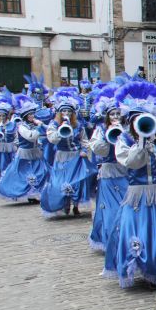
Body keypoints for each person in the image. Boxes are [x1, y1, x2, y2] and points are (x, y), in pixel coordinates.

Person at [103, 81, 156, 288]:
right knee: (139, 232)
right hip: (137, 195)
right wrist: (141, 142)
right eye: (135, 120)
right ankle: (145, 269)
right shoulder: (124, 141)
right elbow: (132, 162)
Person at [40, 88, 98, 216]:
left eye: (69, 111)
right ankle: (65, 204)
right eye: (64, 111)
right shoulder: (53, 125)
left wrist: (84, 150)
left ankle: (76, 205)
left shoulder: (78, 125)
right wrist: (61, 129)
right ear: (59, 113)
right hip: (61, 156)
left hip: (76, 156)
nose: (66, 113)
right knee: (61, 181)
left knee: (77, 181)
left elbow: (84, 140)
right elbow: (52, 139)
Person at [87, 86, 129, 252]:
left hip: (124, 172)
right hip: (108, 172)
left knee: (125, 205)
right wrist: (107, 137)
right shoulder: (100, 130)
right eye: (112, 114)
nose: (115, 117)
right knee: (109, 209)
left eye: (118, 114)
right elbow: (97, 149)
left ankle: (124, 237)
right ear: (106, 116)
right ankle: (110, 239)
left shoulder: (126, 129)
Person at [0, 94, 50, 203]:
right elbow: (30, 137)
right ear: (26, 116)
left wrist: (43, 126)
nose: (32, 116)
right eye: (30, 114)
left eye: (33, 114)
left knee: (42, 172)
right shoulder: (21, 126)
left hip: (36, 152)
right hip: (25, 153)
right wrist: (39, 128)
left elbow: (46, 132)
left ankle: (37, 193)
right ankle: (29, 195)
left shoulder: (33, 124)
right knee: (23, 173)